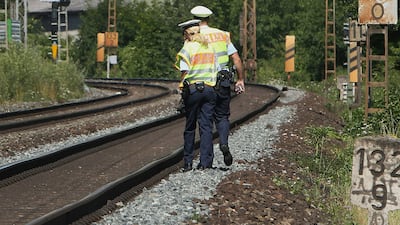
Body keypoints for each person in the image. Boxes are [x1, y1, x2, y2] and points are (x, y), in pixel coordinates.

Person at [190, 5, 245, 167]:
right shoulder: (223, 35)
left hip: (203, 83)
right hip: (223, 82)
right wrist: (240, 79)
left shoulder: (193, 36)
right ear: (209, 18)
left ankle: (206, 161)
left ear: (194, 19)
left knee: (205, 121)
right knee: (222, 116)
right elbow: (236, 59)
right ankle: (224, 143)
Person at [175, 19, 219, 172]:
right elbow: (217, 68)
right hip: (209, 89)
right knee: (206, 127)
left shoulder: (188, 48)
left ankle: (188, 163)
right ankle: (205, 163)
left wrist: (181, 88)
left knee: (190, 127)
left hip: (193, 90)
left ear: (187, 35)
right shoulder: (210, 47)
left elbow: (184, 71)